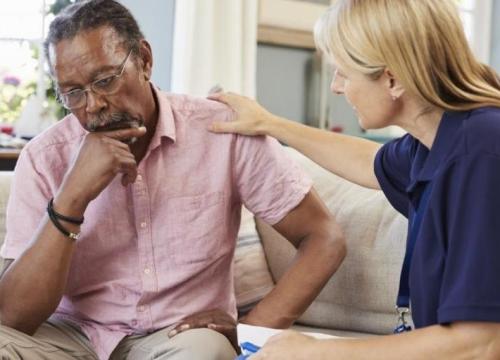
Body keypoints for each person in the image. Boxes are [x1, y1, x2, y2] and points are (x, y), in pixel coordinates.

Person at [0, 1, 347, 359]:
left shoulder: (222, 131)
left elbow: (324, 238)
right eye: (73, 92)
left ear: (145, 60)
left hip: (179, 337)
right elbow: (13, 317)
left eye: (105, 80)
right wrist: (71, 198)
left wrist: (252, 329)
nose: (93, 105)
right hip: (70, 337)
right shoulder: (44, 158)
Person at [208, 0, 500, 358]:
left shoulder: (480, 152)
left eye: (343, 73)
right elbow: (370, 162)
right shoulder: (438, 139)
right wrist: (270, 123)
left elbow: (480, 344)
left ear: (392, 79)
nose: (335, 86)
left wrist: (317, 352)